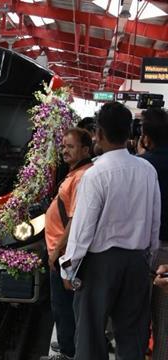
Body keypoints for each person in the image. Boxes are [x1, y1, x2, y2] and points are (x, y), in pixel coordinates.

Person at [59, 102, 161, 360]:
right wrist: (147, 259)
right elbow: (154, 221)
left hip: (99, 265)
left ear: (99, 134)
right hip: (137, 261)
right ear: (129, 133)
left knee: (91, 336)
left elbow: (83, 228)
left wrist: (69, 267)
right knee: (133, 336)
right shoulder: (147, 170)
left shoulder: (96, 174)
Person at [40, 128, 93, 360]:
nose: (65, 151)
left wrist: (57, 251)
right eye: (63, 146)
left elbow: (75, 219)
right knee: (62, 304)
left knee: (64, 305)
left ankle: (69, 351)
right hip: (60, 251)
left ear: (85, 149)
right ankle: (66, 343)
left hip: (64, 254)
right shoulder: (76, 173)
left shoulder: (82, 176)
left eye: (70, 147)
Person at [138, 107, 168, 360]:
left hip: (144, 250)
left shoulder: (143, 166)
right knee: (163, 320)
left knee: (135, 314)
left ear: (145, 136)